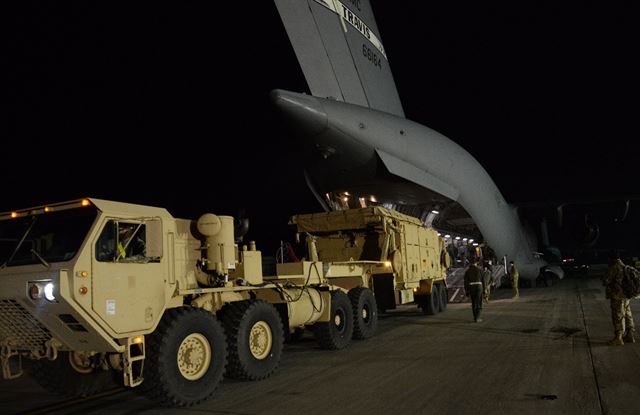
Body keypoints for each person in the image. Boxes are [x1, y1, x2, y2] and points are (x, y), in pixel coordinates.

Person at [601, 250, 635, 346]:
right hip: (626, 295)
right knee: (628, 314)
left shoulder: (614, 267)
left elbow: (605, 281)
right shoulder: (624, 266)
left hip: (617, 296)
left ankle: (618, 338)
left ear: (611, 259)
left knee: (618, 316)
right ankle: (630, 335)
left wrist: (603, 277)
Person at [464, 257, 484, 322]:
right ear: (476, 263)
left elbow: (466, 282)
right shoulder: (479, 270)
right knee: (479, 302)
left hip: (472, 288)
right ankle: (478, 317)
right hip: (479, 287)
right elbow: (483, 280)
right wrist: (484, 289)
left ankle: (475, 317)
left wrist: (467, 292)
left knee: (474, 302)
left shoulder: (467, 271)